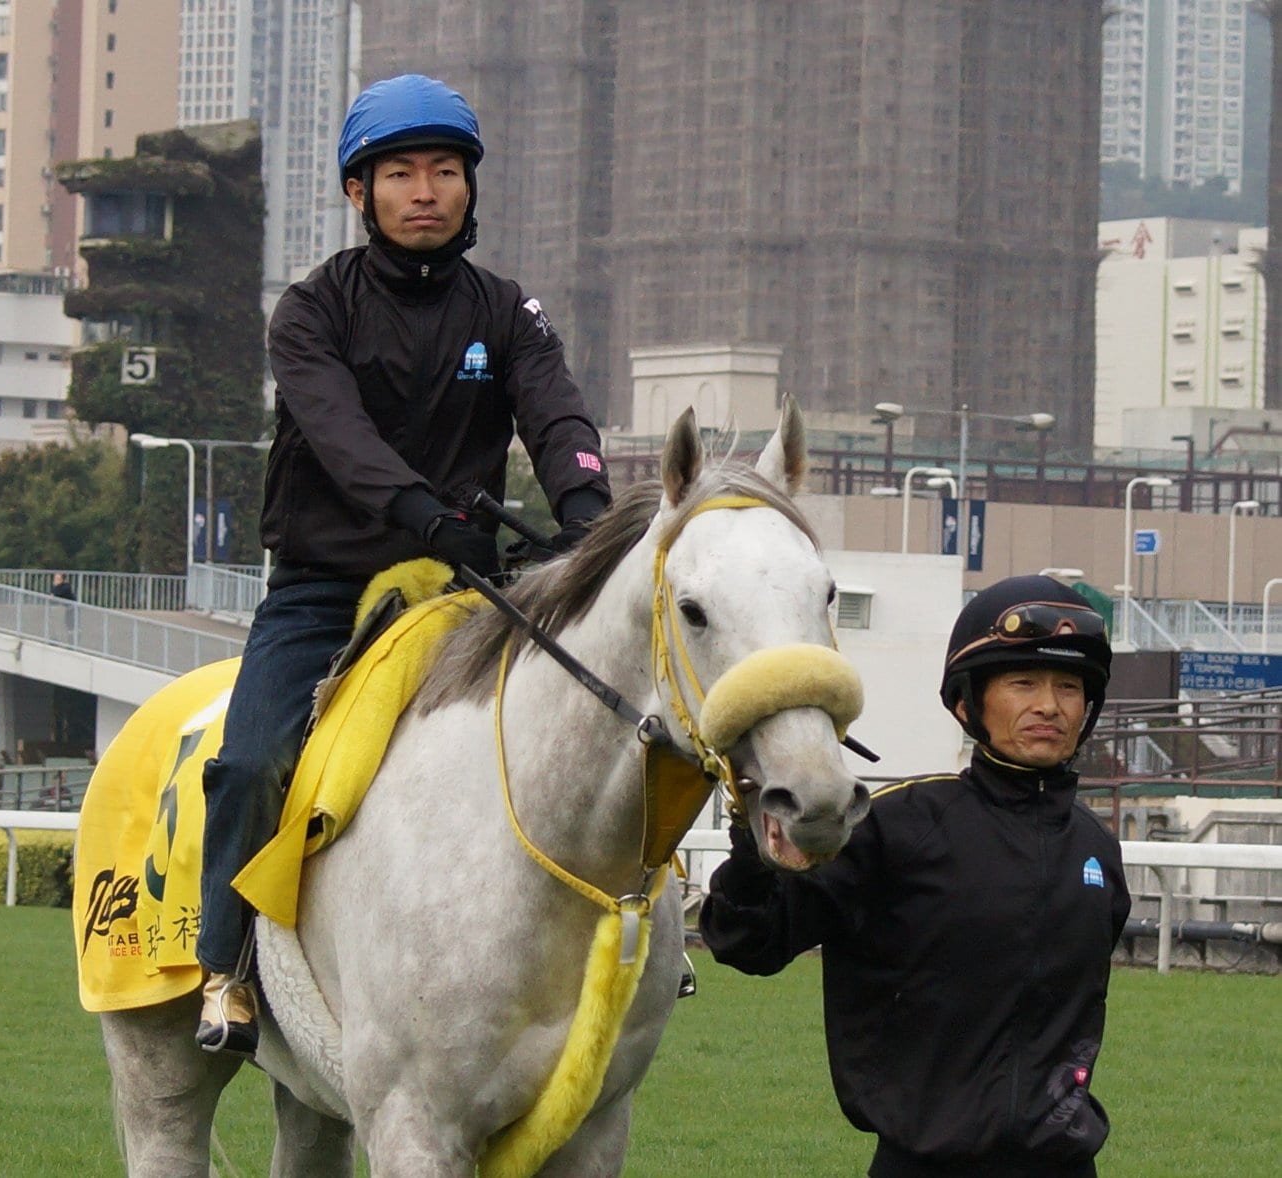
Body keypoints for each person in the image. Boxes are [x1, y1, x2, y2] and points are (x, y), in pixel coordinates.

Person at [194, 73, 612, 1054]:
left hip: (463, 592)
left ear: (470, 186)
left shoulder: (509, 312)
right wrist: (422, 513)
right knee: (252, 761)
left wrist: (590, 518)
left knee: (600, 716)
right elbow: (338, 435)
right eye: (399, 172)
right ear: (358, 193)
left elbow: (557, 413)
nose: (425, 189)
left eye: (444, 170)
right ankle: (225, 965)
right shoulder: (309, 311)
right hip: (325, 590)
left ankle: (633, 934)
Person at [700, 575, 1131, 1177]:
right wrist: (752, 835)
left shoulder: (1096, 850)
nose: (1049, 706)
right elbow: (750, 941)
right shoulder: (898, 826)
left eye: (1069, 686)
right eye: (1023, 683)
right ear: (966, 702)